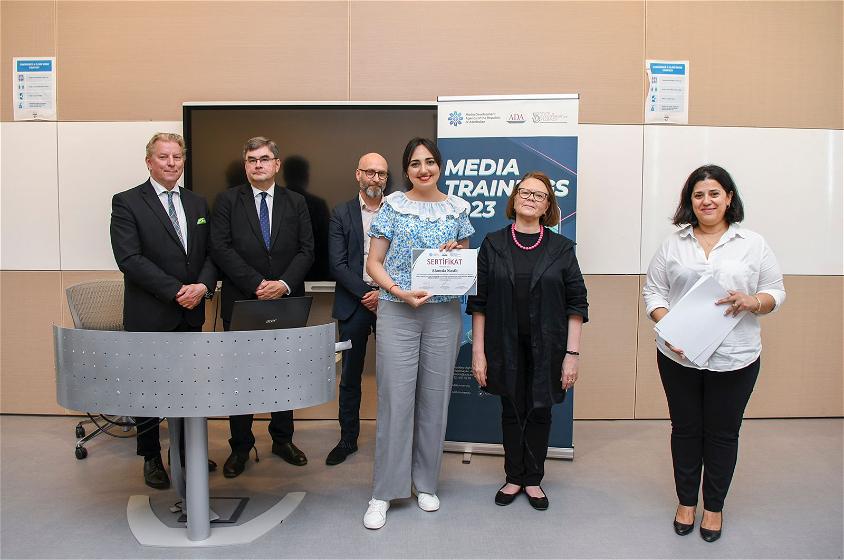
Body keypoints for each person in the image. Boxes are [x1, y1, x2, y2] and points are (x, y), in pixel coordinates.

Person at [642, 164, 785, 542]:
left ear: (729, 197)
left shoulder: (752, 243)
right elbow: (653, 292)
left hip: (736, 357)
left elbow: (776, 291)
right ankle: (686, 502)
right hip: (679, 356)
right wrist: (669, 327)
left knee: (722, 434)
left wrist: (753, 301)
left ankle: (714, 507)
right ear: (690, 201)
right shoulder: (673, 244)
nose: (707, 201)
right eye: (698, 195)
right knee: (685, 430)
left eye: (714, 193)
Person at [362, 138, 474, 529]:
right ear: (406, 169)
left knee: (435, 400)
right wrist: (398, 291)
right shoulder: (392, 206)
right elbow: (374, 263)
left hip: (443, 314)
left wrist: (454, 252)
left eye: (429, 162)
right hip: (398, 310)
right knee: (395, 401)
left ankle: (425, 483)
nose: (423, 169)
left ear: (439, 166)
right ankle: (384, 492)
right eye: (414, 163)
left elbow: (463, 263)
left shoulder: (458, 209)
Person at [466, 171, 588, 511]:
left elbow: (577, 303)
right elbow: (478, 301)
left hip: (549, 346)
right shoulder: (493, 243)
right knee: (511, 409)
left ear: (548, 206)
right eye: (525, 192)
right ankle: (513, 477)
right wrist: (478, 351)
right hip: (503, 344)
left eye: (539, 195)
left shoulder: (562, 249)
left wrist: (572, 354)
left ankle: (533, 479)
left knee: (540, 409)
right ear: (515, 198)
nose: (531, 198)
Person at [110, 132, 218, 489]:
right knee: (148, 389)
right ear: (149, 162)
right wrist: (175, 291)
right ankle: (151, 457)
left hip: (191, 311)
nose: (171, 163)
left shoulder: (197, 202)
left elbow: (210, 254)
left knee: (189, 386)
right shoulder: (127, 202)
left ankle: (186, 453)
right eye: (163, 157)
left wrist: (202, 287)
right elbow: (129, 259)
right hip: (150, 312)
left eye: (177, 157)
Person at [210, 136, 315, 478]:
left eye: (265, 158)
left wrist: (282, 284)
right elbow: (220, 248)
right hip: (243, 301)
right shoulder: (227, 200)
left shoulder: (296, 201)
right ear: (245, 166)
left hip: (286, 301)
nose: (259, 164)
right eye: (252, 159)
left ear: (276, 164)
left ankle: (283, 440)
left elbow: (307, 250)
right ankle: (240, 446)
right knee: (240, 378)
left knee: (284, 374)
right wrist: (257, 284)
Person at [325, 153, 388, 465]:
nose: (375, 178)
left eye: (381, 174)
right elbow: (337, 264)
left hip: (392, 303)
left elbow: (405, 259)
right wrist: (368, 294)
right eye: (370, 172)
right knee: (350, 377)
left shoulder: (398, 210)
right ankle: (347, 439)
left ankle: (393, 441)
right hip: (354, 304)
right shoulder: (340, 213)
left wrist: (383, 293)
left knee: (395, 377)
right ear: (358, 174)